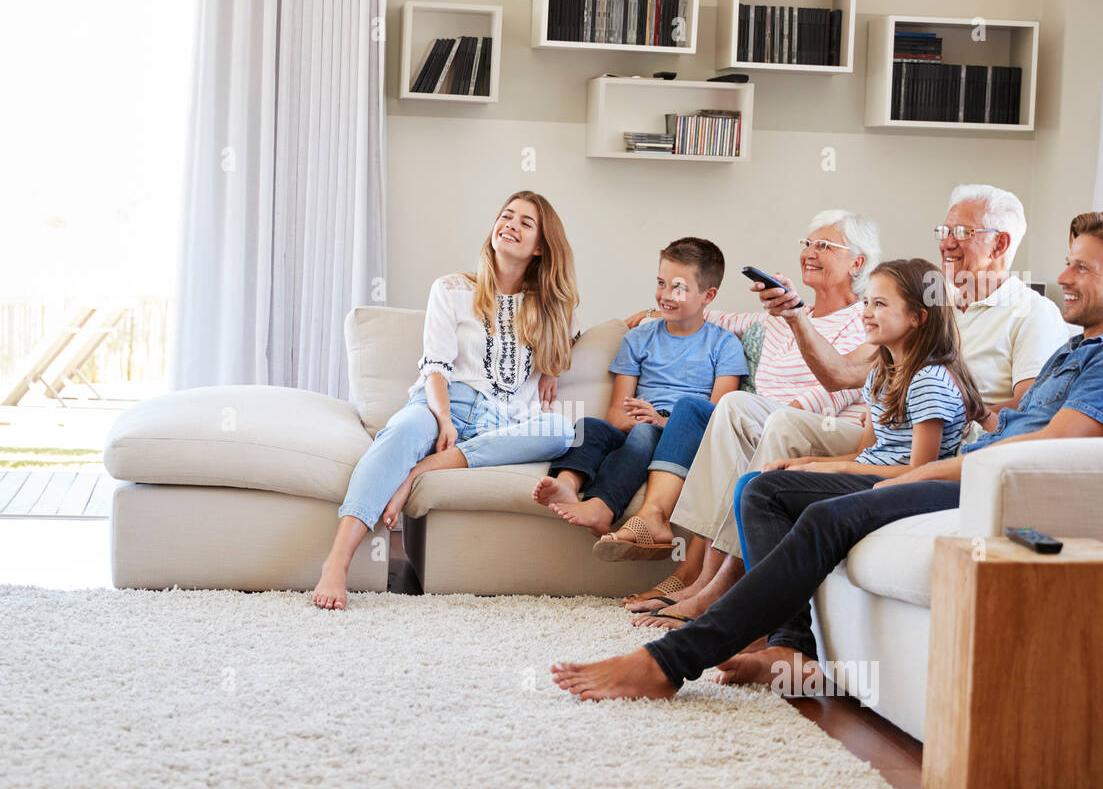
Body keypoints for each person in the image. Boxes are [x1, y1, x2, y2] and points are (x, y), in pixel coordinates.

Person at [551, 210, 1103, 700]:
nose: (1063, 277)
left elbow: (1045, 451)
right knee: (765, 491)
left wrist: (924, 469)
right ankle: (792, 648)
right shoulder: (1077, 349)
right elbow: (1012, 421)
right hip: (972, 469)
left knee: (823, 515)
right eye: (1068, 263)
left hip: (988, 484)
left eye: (1081, 269)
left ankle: (668, 663)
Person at [624, 183, 1070, 626]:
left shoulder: (1031, 313)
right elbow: (844, 374)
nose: (946, 241)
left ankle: (724, 591)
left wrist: (960, 405)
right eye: (943, 228)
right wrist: (795, 317)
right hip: (888, 434)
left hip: (946, 446)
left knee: (776, 433)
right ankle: (699, 576)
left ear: (1000, 243)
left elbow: (1027, 410)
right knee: (739, 407)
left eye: (962, 231)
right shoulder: (933, 303)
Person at [311, 190, 579, 610]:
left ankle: (417, 472)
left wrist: (554, 369)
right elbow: (435, 365)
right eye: (506, 216)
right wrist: (443, 420)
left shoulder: (549, 308)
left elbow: (576, 336)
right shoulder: (452, 289)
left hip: (503, 424)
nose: (510, 224)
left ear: (541, 247)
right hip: (444, 405)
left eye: (526, 223)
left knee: (562, 430)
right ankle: (337, 563)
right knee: (400, 433)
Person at [596, 211, 879, 599]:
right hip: (752, 419)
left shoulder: (866, 322)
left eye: (824, 246)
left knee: (730, 414)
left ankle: (695, 573)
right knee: (697, 410)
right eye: (807, 243)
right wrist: (653, 313)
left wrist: (770, 410)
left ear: (857, 262)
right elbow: (712, 314)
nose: (810, 252)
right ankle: (664, 533)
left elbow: (837, 388)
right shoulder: (778, 317)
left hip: (813, 428)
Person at [530, 238, 747, 538]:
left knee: (646, 433)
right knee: (589, 427)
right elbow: (616, 415)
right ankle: (567, 484)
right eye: (661, 283)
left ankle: (602, 507)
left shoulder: (725, 346)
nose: (665, 295)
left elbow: (716, 417)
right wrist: (637, 420)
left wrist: (660, 422)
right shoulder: (638, 339)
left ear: (708, 295)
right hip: (636, 425)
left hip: (682, 434)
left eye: (679, 287)